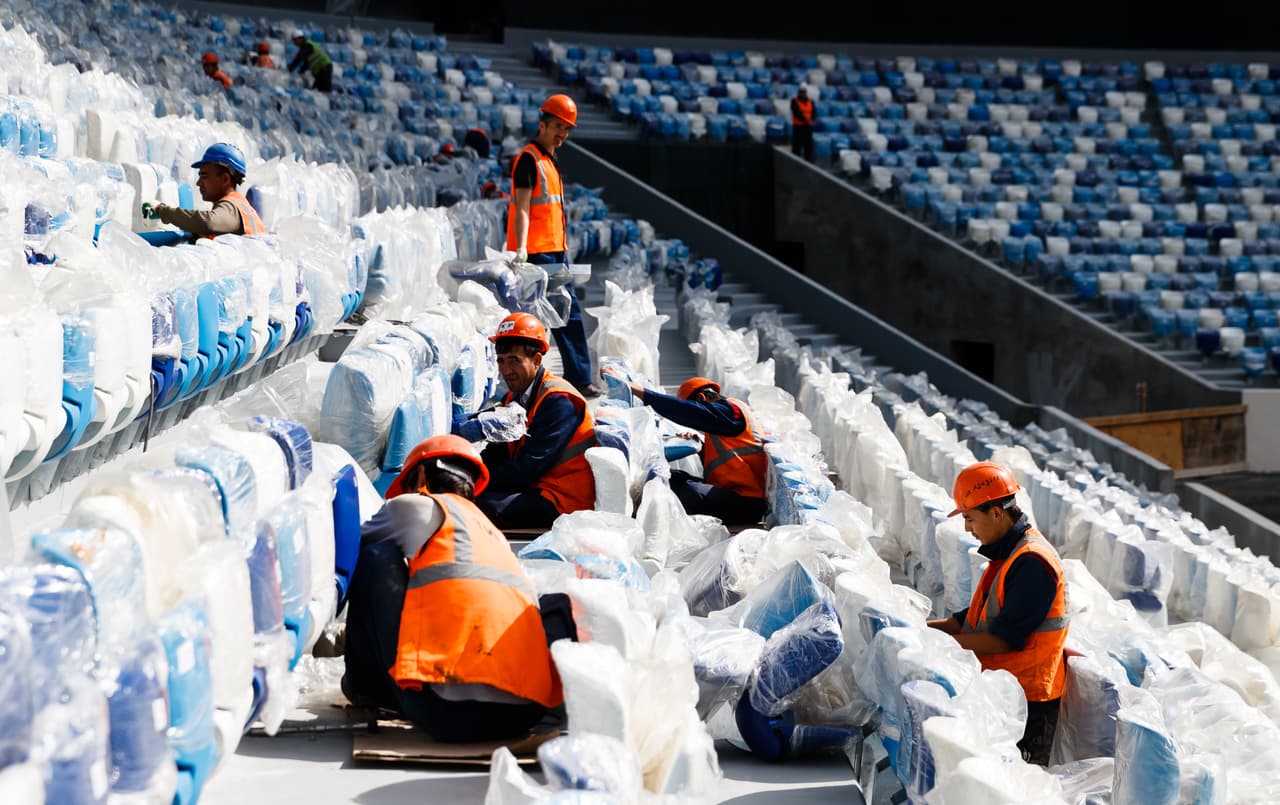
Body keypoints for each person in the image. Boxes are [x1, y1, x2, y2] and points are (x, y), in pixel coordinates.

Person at [341, 435, 564, 742]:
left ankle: (366, 690)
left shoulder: (414, 505)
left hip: (446, 711)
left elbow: (347, 551)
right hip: (523, 714)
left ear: (421, 475)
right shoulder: (492, 533)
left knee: (376, 557)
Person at [926, 461, 1069, 767]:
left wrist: (939, 646)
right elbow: (973, 618)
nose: (967, 528)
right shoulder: (1008, 553)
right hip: (1002, 690)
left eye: (969, 518)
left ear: (996, 513)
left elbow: (1004, 639)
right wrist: (924, 628)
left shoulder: (1032, 563)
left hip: (1026, 704)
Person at [461, 312, 597, 530]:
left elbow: (527, 469)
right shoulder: (515, 396)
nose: (506, 371)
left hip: (563, 499)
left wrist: (471, 480)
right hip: (537, 485)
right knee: (464, 495)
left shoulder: (560, 400)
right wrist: (464, 469)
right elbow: (498, 451)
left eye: (514, 360)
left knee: (476, 505)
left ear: (537, 360)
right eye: (501, 361)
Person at [506, 93, 597, 396]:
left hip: (555, 251)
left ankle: (575, 378)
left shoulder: (549, 160)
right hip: (537, 253)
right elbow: (521, 207)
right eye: (558, 126)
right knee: (554, 318)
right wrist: (520, 248)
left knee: (565, 315)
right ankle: (566, 379)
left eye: (567, 129)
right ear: (542, 124)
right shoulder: (529, 159)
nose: (562, 134)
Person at [605, 371, 767, 525]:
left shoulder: (730, 412)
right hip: (730, 491)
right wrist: (702, 445)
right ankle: (635, 509)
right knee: (668, 477)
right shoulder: (725, 415)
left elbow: (680, 409)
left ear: (702, 397)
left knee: (689, 492)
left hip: (747, 502)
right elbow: (730, 455)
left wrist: (633, 388)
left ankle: (647, 522)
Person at [144, 143, 265, 239]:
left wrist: (161, 211)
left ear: (225, 179)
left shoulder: (231, 207)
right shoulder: (240, 205)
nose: (198, 183)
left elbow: (208, 223)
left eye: (204, 176)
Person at [790, 84, 815, 161]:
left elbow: (814, 112)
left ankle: (808, 161)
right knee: (797, 146)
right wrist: (805, 120)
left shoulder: (811, 101)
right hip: (798, 127)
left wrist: (810, 120)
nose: (803, 93)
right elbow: (796, 112)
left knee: (808, 146)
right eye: (801, 92)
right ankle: (795, 161)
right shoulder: (794, 101)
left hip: (808, 127)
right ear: (799, 92)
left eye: (804, 92)